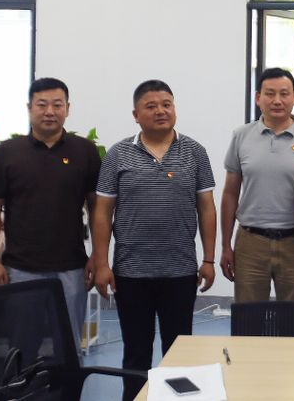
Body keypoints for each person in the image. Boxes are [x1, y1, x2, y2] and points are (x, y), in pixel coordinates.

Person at [92, 80, 216, 401]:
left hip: (180, 271)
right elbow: (102, 212)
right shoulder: (118, 154)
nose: (160, 111)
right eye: (151, 106)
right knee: (136, 353)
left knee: (180, 352)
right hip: (131, 273)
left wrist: (208, 259)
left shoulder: (195, 152)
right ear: (136, 115)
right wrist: (102, 263)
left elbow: (206, 207)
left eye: (166, 104)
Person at [0, 77, 100, 350]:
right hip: (21, 268)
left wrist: (98, 256)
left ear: (67, 108)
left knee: (69, 348)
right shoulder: (7, 153)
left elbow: (96, 208)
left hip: (72, 267)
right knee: (22, 347)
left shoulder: (85, 151)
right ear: (29, 108)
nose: (49, 111)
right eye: (42, 104)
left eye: (57, 105)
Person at [220, 68, 294, 302]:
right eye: (270, 93)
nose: (277, 100)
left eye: (284, 93)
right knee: (249, 316)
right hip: (250, 241)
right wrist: (226, 245)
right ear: (258, 98)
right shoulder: (241, 135)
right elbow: (230, 193)